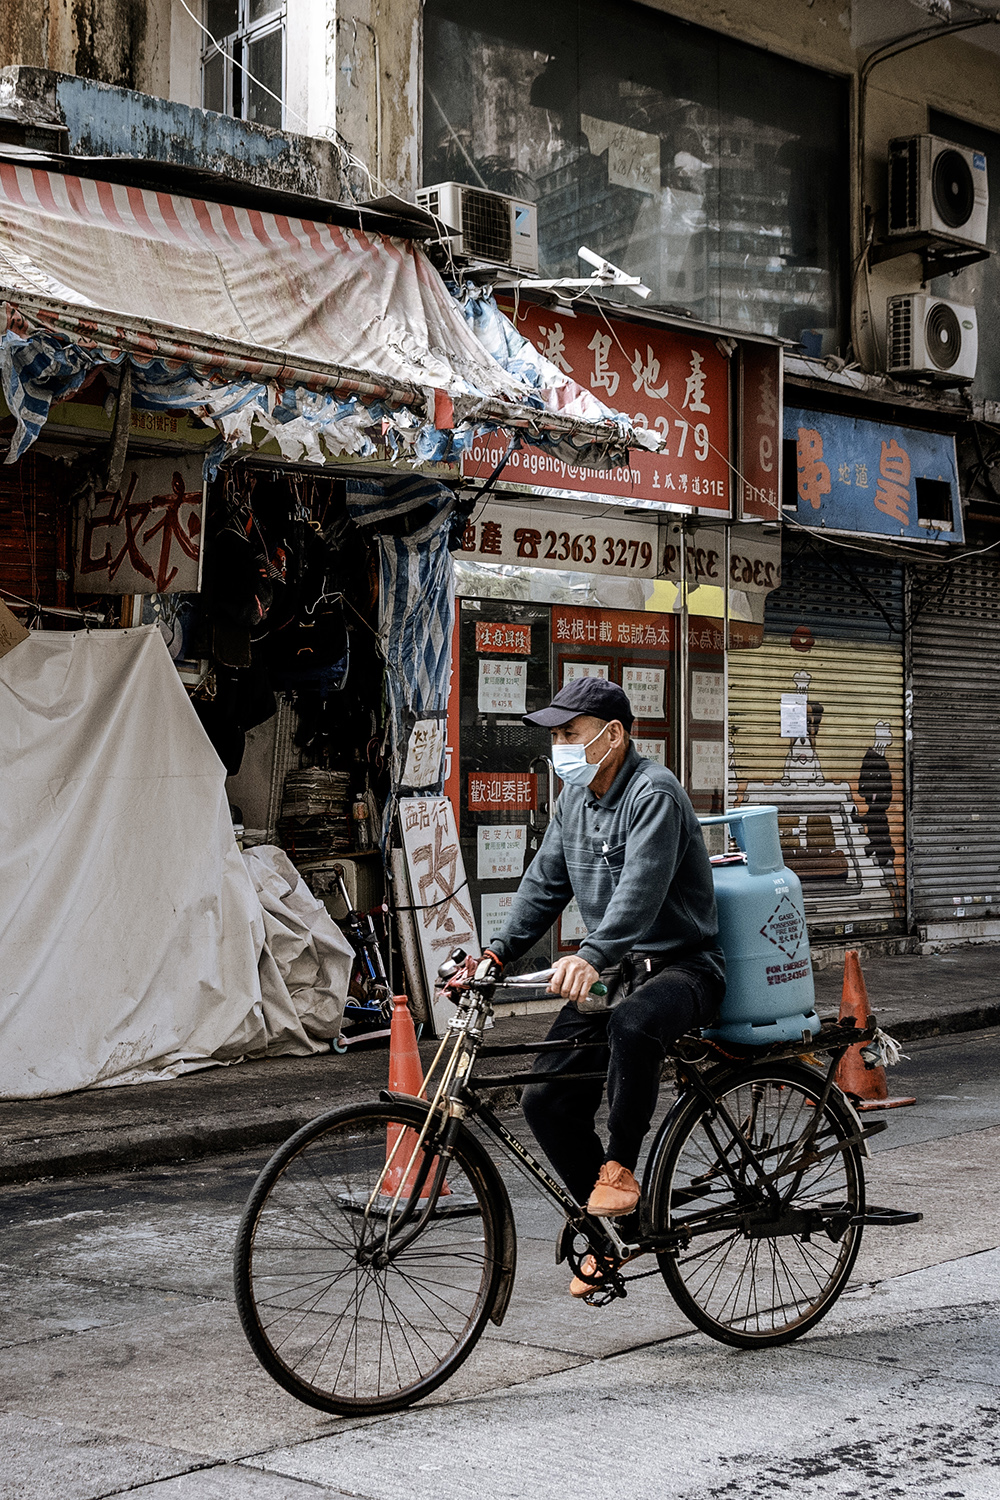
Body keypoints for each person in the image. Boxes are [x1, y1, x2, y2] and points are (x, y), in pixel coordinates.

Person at [483, 676, 726, 1297]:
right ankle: (614, 1233)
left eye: (570, 734)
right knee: (545, 1099)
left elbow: (640, 892)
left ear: (612, 735)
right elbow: (545, 883)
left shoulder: (654, 793)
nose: (559, 747)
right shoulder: (573, 800)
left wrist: (590, 955)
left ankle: (620, 1168)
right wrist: (497, 951)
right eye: (556, 736)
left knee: (632, 1023)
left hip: (685, 967)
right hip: (616, 972)